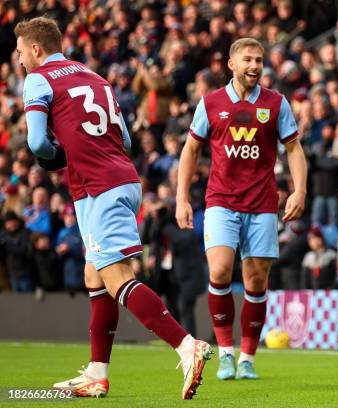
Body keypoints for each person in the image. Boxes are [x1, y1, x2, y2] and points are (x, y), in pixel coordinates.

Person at [15, 17, 211, 400]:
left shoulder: (39, 79)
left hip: (98, 188)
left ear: (36, 49)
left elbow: (37, 143)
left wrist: (57, 157)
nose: (19, 60)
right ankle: (97, 373)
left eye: (21, 52)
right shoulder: (94, 76)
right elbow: (123, 135)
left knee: (117, 276)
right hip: (118, 179)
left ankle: (187, 345)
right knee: (95, 276)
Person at [176, 38, 307, 381]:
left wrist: (299, 190)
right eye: (247, 59)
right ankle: (225, 355)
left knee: (256, 280)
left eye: (259, 60)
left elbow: (293, 149)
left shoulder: (276, 103)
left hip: (263, 203)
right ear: (231, 64)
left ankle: (247, 357)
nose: (254, 65)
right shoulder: (210, 103)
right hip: (221, 200)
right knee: (219, 271)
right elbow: (191, 150)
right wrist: (181, 198)